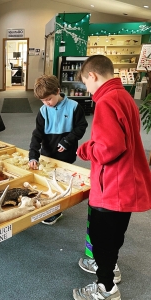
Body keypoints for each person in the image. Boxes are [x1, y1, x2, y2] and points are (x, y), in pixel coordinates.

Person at [73, 55, 151, 300]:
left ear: (92, 76)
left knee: (101, 237)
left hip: (111, 187)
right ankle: (110, 269)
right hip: (126, 182)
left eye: (85, 82)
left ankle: (106, 287)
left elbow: (109, 148)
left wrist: (85, 149)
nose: (86, 88)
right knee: (114, 234)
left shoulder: (106, 101)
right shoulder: (124, 96)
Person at [28, 74, 88, 225]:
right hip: (48, 152)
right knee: (49, 179)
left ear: (57, 91)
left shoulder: (74, 107)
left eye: (49, 99)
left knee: (61, 180)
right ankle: (51, 206)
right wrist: (33, 155)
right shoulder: (43, 110)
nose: (46, 103)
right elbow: (37, 134)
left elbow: (81, 127)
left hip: (66, 152)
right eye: (43, 100)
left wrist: (67, 141)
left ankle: (56, 210)